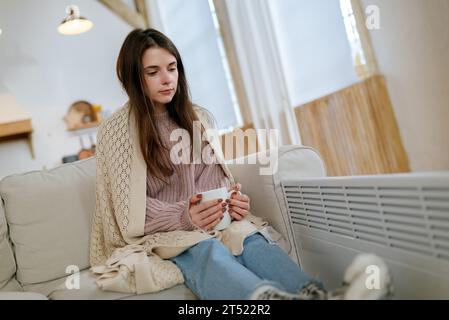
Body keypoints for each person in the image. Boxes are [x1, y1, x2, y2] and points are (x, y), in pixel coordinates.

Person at [90, 28, 392, 300]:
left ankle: (317, 296)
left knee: (249, 237)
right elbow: (129, 209)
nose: (167, 79)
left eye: (172, 68)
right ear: (133, 77)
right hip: (164, 235)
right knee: (204, 250)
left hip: (205, 225)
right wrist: (184, 215)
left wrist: (227, 204)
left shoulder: (198, 117)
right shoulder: (117, 130)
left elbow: (212, 180)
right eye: (152, 72)